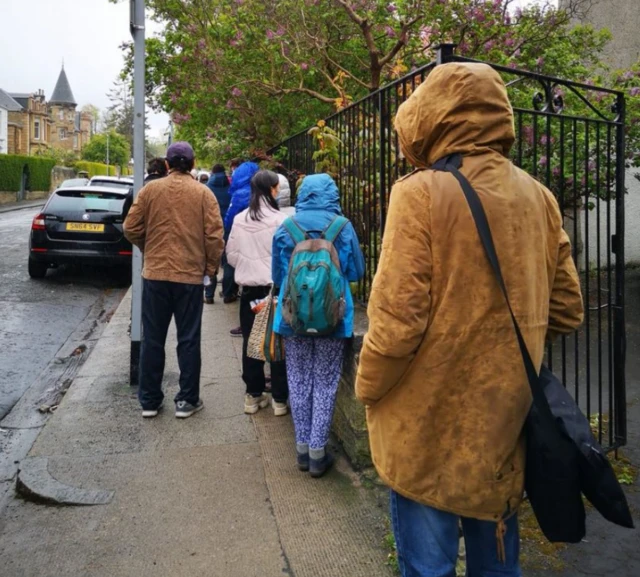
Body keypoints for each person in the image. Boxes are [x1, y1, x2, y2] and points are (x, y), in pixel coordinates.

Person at [354, 63, 584, 576]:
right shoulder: (539, 196)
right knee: (498, 563)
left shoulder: (419, 193)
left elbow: (396, 325)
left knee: (428, 568)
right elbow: (567, 310)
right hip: (503, 425)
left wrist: (367, 387)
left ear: (429, 118)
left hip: (426, 429)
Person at [272, 174, 365, 477]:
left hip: (292, 318)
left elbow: (277, 275)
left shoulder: (287, 227)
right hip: (333, 318)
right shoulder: (342, 227)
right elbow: (355, 272)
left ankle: (300, 450)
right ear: (332, 194)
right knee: (325, 382)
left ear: (303, 194)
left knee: (298, 379)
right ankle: (317, 453)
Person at [124, 141, 225, 419]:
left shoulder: (150, 191)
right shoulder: (203, 194)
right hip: (190, 277)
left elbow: (130, 227)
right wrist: (210, 269)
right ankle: (187, 400)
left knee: (153, 339)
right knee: (189, 339)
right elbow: (215, 237)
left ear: (167, 165)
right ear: (192, 165)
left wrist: (149, 247)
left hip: (155, 275)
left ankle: (149, 400)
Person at [226, 170, 289, 415]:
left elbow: (230, 255)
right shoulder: (281, 220)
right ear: (273, 189)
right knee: (277, 344)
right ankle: (280, 400)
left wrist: (246, 266)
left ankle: (253, 396)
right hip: (274, 290)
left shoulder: (240, 218)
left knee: (251, 343)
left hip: (250, 291)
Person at [223, 161, 260, 337]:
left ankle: (247, 325)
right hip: (261, 242)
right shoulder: (259, 191)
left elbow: (230, 220)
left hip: (245, 242)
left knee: (247, 284)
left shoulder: (239, 194)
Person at [203, 164, 232, 304]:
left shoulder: (207, 188)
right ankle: (227, 293)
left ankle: (209, 294)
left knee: (210, 262)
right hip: (228, 227)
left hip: (211, 227)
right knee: (227, 262)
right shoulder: (231, 187)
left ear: (213, 173)